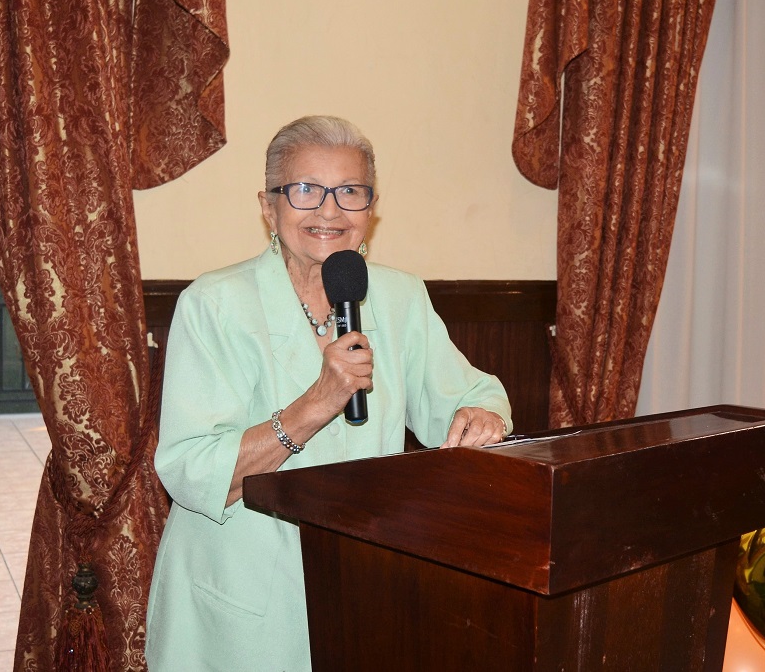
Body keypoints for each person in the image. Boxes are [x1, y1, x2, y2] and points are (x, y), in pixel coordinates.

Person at [145, 115, 512, 670]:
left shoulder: (400, 297)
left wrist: (480, 413)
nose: (329, 210)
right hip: (241, 601)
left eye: (350, 192)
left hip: (359, 585)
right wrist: (316, 404)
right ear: (269, 207)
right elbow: (191, 469)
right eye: (305, 190)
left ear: (372, 208)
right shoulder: (214, 303)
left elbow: (466, 394)